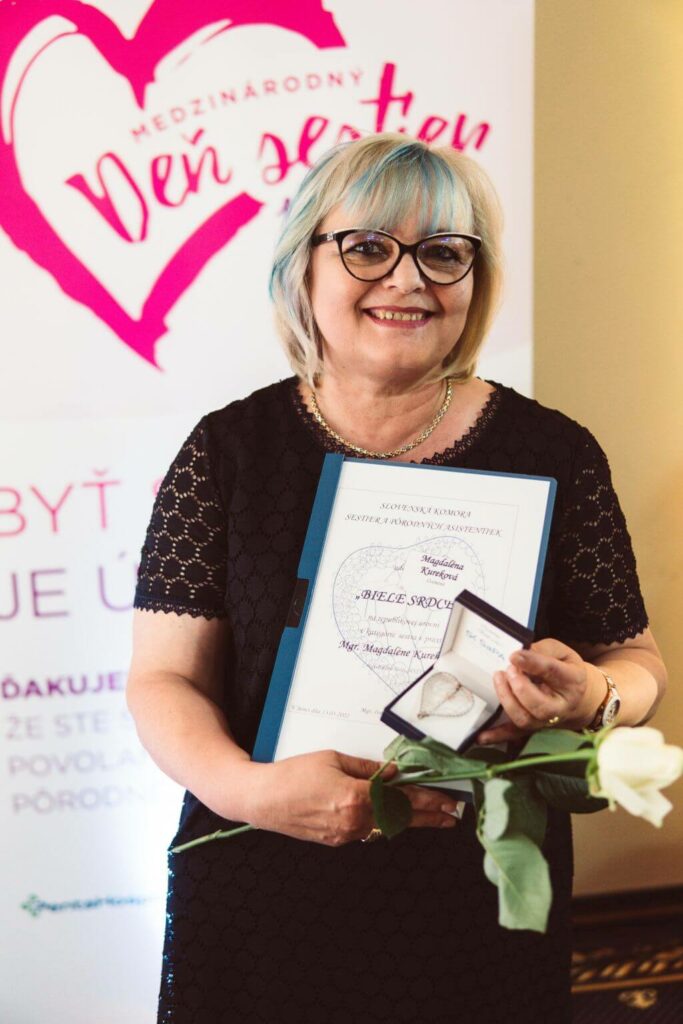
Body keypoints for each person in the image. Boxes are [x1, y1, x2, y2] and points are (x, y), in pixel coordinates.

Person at [126, 133, 667, 1024]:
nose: (408, 280)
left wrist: (593, 697)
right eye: (368, 247)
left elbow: (635, 664)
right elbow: (163, 678)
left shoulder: (554, 452)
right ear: (304, 264)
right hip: (262, 884)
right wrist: (248, 791)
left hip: (475, 899)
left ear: (474, 278)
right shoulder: (228, 451)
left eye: (443, 253)